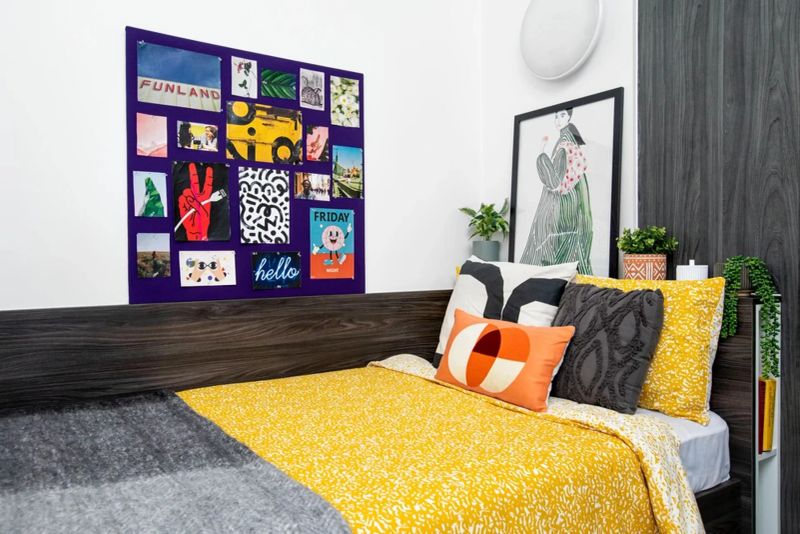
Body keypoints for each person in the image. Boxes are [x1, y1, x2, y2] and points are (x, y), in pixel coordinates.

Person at [520, 107, 593, 274]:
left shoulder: (564, 146)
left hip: (563, 208)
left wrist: (541, 152)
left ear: (569, 117)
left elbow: (554, 182)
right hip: (574, 207)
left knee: (551, 252)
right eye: (556, 116)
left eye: (562, 115)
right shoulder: (571, 142)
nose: (558, 120)